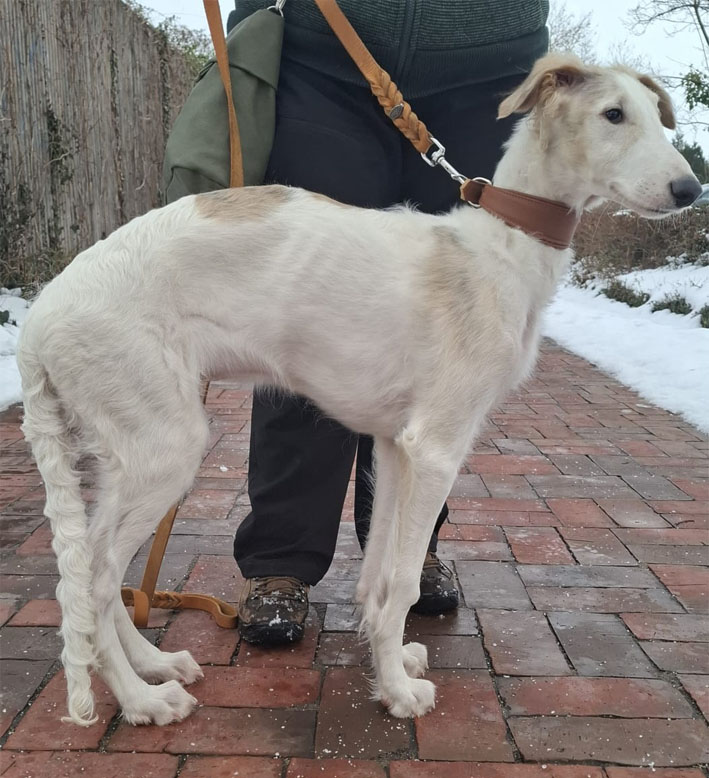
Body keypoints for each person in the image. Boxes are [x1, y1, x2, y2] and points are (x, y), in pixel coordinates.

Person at [226, 0, 550, 645]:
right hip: (327, 59)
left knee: (449, 345)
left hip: (488, 76)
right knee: (311, 314)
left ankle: (408, 551)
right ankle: (281, 559)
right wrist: (253, 18)